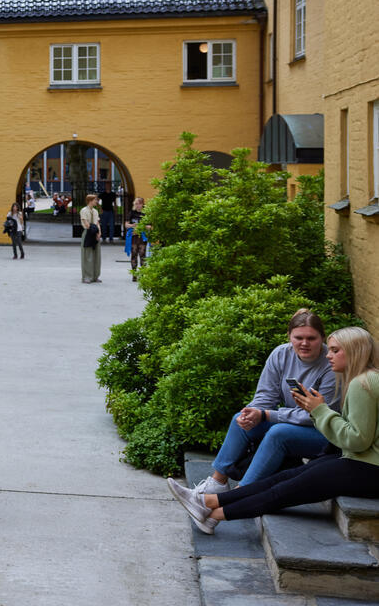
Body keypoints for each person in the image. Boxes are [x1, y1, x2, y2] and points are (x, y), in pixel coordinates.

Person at [170, 326, 379, 535]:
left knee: (284, 491)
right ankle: (208, 500)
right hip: (360, 460)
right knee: (285, 478)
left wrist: (319, 410)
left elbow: (358, 439)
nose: (328, 355)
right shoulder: (365, 380)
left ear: (354, 351)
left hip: (369, 469)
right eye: (330, 350)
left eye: (335, 350)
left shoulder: (363, 384)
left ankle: (212, 515)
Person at [171, 310, 337, 501]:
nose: (304, 343)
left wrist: (267, 415)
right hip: (293, 422)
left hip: (325, 432)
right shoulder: (281, 354)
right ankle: (217, 484)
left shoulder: (331, 365)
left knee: (279, 432)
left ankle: (237, 497)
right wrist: (252, 412)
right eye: (298, 337)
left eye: (311, 338)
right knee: (239, 419)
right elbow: (266, 395)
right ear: (289, 336)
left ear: (322, 338)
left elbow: (316, 415)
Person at [80, 193, 101, 283]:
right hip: (88, 233)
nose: (97, 201)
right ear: (90, 201)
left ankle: (95, 276)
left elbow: (97, 223)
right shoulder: (84, 210)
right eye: (95, 200)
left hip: (95, 233)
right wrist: (95, 230)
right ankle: (87, 276)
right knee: (87, 255)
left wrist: (99, 233)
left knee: (97, 255)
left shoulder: (95, 211)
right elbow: (87, 224)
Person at [125, 197, 148, 280]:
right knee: (134, 254)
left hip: (142, 237)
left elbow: (150, 226)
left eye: (139, 203)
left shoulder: (146, 214)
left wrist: (143, 227)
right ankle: (134, 274)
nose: (138, 205)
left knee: (142, 255)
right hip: (133, 237)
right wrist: (133, 226)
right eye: (136, 204)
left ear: (142, 204)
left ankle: (142, 274)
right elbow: (126, 225)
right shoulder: (131, 213)